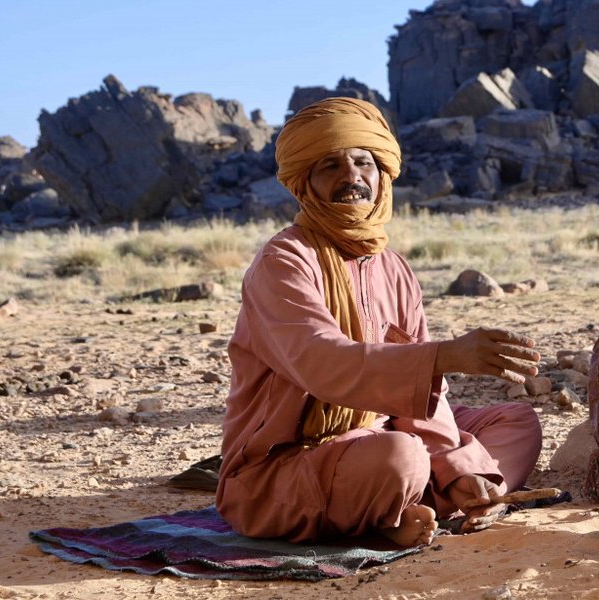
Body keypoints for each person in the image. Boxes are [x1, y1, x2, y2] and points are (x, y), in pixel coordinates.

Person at [215, 97, 543, 548]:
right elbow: (322, 362)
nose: (352, 177)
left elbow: (419, 398)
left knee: (515, 420)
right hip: (287, 463)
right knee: (400, 456)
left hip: (382, 431)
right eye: (330, 165)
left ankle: (457, 496)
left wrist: (460, 467)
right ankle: (404, 505)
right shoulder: (284, 261)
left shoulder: (394, 268)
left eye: (363, 162)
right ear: (305, 183)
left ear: (382, 174)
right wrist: (443, 357)